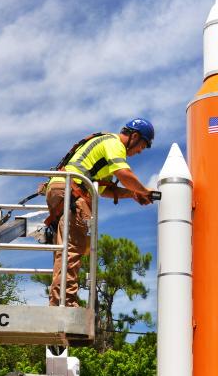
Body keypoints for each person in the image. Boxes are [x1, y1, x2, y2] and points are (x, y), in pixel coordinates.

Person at [46, 118, 156, 307]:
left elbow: (104, 190)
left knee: (68, 248)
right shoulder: (114, 144)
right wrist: (144, 191)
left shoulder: (104, 145)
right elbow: (124, 174)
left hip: (62, 189)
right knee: (73, 249)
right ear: (135, 136)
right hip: (71, 191)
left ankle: (59, 300)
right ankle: (64, 302)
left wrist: (132, 194)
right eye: (142, 146)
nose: (139, 152)